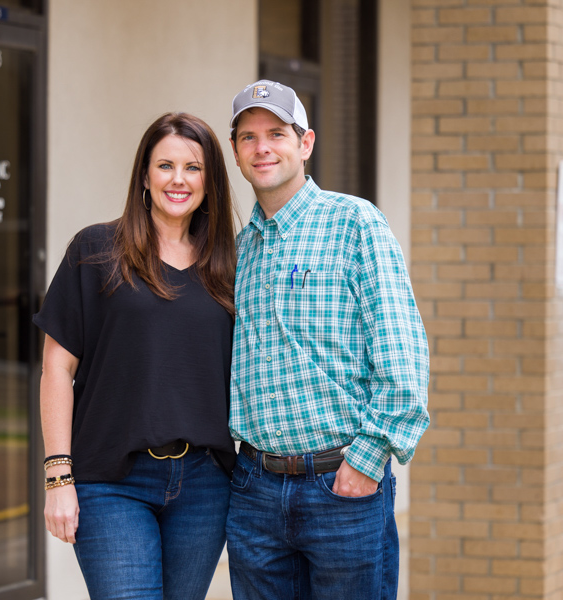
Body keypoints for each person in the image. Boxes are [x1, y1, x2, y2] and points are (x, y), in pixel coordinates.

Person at [224, 79, 430, 599]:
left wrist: (367, 461)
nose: (262, 147)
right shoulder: (240, 250)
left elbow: (401, 355)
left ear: (306, 143)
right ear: (236, 153)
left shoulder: (355, 222)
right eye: (248, 137)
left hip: (341, 486)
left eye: (276, 133)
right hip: (254, 490)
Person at [32, 112, 237, 600]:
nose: (179, 180)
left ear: (211, 180)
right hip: (111, 479)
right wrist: (58, 475)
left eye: (194, 167)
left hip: (205, 485)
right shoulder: (96, 249)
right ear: (144, 174)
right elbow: (56, 367)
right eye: (165, 165)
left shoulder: (230, 264)